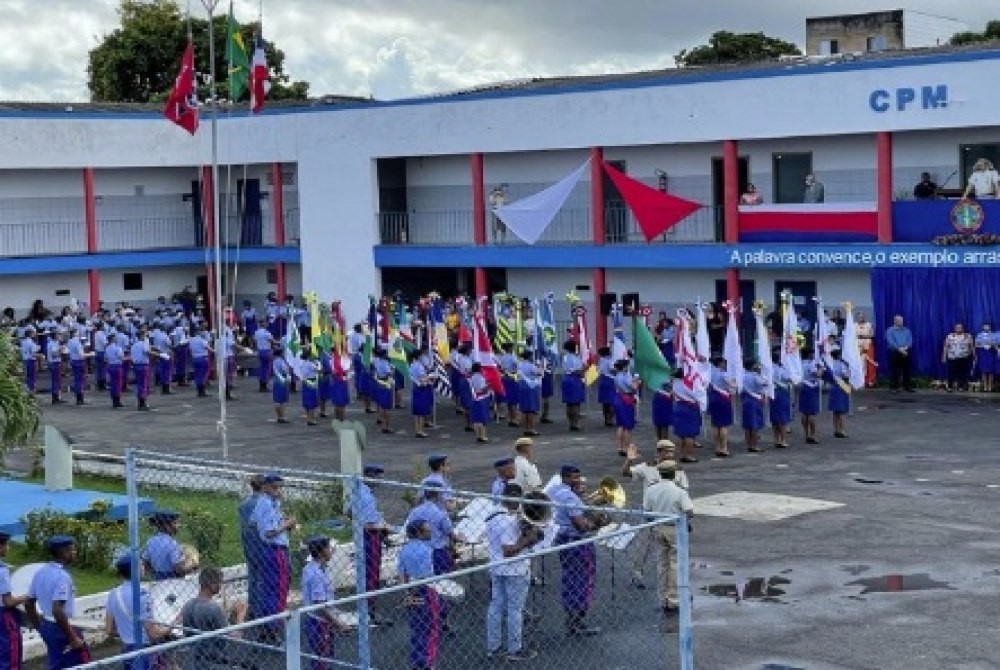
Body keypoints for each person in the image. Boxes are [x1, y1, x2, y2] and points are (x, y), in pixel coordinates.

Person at [485, 483, 539, 661]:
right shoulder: (508, 520)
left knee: (496, 606)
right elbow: (509, 551)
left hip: (496, 567)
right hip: (515, 569)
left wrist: (524, 529)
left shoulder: (493, 513)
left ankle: (493, 647)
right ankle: (514, 650)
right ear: (517, 498)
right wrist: (528, 539)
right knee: (515, 610)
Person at [549, 464, 600, 636]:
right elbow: (581, 525)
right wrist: (598, 523)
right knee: (583, 580)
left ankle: (571, 619)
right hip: (577, 542)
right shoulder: (569, 496)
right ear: (565, 477)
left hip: (563, 539)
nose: (578, 480)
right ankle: (577, 621)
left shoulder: (555, 490)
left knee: (570, 578)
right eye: (574, 477)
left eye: (579, 477)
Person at [26, 535, 92, 667]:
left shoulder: (40, 572)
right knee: (81, 663)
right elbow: (57, 610)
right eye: (72, 550)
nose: (75, 553)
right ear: (64, 552)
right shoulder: (62, 577)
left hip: (48, 625)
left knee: (57, 663)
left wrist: (39, 627)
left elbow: (28, 602)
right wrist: (72, 638)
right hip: (64, 627)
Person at [642, 461, 694, 614]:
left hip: (658, 525)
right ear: (674, 474)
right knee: (675, 563)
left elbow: (646, 511)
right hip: (674, 527)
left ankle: (662, 596)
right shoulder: (679, 491)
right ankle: (674, 598)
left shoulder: (650, 490)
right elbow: (689, 511)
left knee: (662, 562)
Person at [250, 473, 296, 634]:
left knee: (271, 588)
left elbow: (252, 522)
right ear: (265, 487)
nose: (279, 491)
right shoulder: (267, 504)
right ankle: (273, 627)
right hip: (275, 550)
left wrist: (281, 522)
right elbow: (269, 533)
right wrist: (286, 525)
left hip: (269, 549)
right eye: (275, 487)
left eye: (280, 487)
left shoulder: (268, 502)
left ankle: (268, 625)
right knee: (279, 588)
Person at [104, 556, 169, 669]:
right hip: (145, 650)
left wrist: (126, 629)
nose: (144, 567)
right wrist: (175, 622)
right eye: (141, 565)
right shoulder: (142, 595)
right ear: (136, 570)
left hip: (127, 650)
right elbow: (154, 634)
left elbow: (109, 629)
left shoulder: (114, 593)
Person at [179, 567, 248, 670]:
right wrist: (241, 614)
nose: (220, 586)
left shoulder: (187, 605)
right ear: (212, 584)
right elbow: (236, 637)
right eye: (219, 582)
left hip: (195, 659)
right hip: (216, 661)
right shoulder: (213, 608)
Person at [397, 520, 442, 670]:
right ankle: (428, 663)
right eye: (427, 530)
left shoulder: (403, 550)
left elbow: (401, 575)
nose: (430, 532)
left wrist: (407, 593)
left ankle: (416, 661)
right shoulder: (427, 550)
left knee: (416, 628)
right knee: (431, 627)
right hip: (426, 590)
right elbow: (424, 576)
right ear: (419, 533)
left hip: (410, 590)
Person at [354, 464, 393, 627]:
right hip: (370, 538)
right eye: (378, 477)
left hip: (361, 537)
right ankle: (371, 610)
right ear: (371, 476)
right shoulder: (368, 497)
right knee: (372, 575)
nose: (380, 481)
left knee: (364, 575)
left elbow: (349, 512)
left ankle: (365, 607)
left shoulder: (358, 491)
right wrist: (384, 528)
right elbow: (368, 525)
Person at [302, 536, 347, 669]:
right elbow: (320, 606)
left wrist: (336, 613)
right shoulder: (317, 574)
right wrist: (338, 623)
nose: (331, 550)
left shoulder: (312, 568)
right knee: (322, 657)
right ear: (322, 552)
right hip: (320, 622)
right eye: (328, 547)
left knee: (322, 655)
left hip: (316, 619)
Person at [238, 475, 264, 620]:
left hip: (249, 545)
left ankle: (253, 609)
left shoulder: (243, 505)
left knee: (253, 578)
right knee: (265, 580)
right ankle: (262, 612)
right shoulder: (266, 504)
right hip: (264, 546)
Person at [0, 531, 27, 670]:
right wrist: (28, 596)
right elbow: (8, 601)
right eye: (7, 545)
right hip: (4, 617)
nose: (8, 548)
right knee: (10, 656)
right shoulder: (2, 571)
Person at [142, 510, 189, 580]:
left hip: (156, 579)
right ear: (167, 526)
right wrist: (188, 564)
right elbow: (178, 569)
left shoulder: (150, 541)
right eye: (176, 523)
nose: (179, 525)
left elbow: (145, 562)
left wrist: (155, 572)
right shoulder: (172, 543)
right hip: (172, 580)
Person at [672, 368, 702, 463]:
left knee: (681, 434)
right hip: (689, 408)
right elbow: (696, 395)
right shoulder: (687, 384)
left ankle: (682, 454)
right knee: (689, 434)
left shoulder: (675, 383)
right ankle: (689, 455)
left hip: (678, 407)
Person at [707, 356, 735, 458]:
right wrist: (734, 381)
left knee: (715, 425)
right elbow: (732, 385)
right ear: (720, 363)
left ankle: (717, 447)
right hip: (723, 398)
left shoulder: (710, 372)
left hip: (713, 398)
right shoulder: (723, 374)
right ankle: (724, 448)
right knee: (723, 425)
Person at [612, 359, 640, 456]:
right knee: (627, 426)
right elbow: (634, 387)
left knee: (620, 425)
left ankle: (620, 447)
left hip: (618, 398)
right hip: (626, 399)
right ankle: (626, 448)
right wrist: (636, 379)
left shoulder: (616, 376)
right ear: (624, 367)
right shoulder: (625, 377)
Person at [741, 361, 767, 453]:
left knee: (747, 424)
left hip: (745, 399)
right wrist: (760, 372)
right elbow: (765, 383)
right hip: (754, 400)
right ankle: (754, 445)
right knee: (754, 424)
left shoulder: (742, 375)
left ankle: (749, 444)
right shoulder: (755, 376)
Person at [560, 340, 586, 431]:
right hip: (574, 379)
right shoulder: (576, 358)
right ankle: (575, 423)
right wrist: (584, 369)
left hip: (566, 379)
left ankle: (571, 422)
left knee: (569, 403)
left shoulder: (564, 357)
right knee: (576, 403)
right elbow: (577, 371)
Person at [885, 315, 914, 392]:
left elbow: (910, 341)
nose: (901, 322)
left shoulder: (907, 330)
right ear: (895, 321)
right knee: (895, 370)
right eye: (899, 321)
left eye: (902, 321)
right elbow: (890, 341)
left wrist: (905, 348)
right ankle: (894, 387)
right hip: (894, 351)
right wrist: (899, 349)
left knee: (907, 370)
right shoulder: (890, 330)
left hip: (906, 351)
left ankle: (907, 386)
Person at [770, 352, 793, 449]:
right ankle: (783, 440)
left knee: (775, 418)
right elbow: (789, 379)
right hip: (782, 392)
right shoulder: (781, 369)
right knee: (782, 419)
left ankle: (776, 440)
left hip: (773, 392)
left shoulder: (769, 368)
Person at [826, 350, 851, 438]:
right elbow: (846, 375)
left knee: (835, 411)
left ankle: (836, 429)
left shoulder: (831, 364)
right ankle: (842, 430)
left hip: (833, 386)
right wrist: (848, 368)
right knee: (841, 411)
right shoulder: (842, 364)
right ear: (839, 355)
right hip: (841, 386)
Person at [942, 323, 974, 392]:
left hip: (963, 357)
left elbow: (971, 346)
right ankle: (950, 387)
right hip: (952, 357)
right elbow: (946, 346)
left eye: (960, 327)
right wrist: (944, 356)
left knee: (962, 373)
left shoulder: (967, 336)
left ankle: (961, 387)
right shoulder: (950, 336)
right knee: (951, 372)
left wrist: (971, 354)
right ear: (955, 328)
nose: (959, 329)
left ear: (963, 328)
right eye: (957, 327)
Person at [799, 350, 822, 445]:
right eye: (812, 354)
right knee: (812, 413)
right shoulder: (811, 364)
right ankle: (812, 435)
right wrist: (820, 368)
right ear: (809, 355)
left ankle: (806, 434)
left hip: (803, 386)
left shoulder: (800, 363)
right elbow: (817, 374)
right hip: (811, 386)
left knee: (804, 413)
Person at [517, 351, 542, 437]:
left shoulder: (520, 364)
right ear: (529, 356)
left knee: (524, 409)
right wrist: (539, 366)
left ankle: (525, 428)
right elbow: (539, 373)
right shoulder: (531, 365)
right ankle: (531, 428)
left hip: (522, 386)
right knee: (531, 409)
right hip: (531, 387)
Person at [371, 348, 395, 434]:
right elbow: (389, 374)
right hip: (385, 384)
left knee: (380, 405)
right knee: (387, 407)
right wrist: (392, 371)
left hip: (378, 384)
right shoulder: (385, 363)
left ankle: (383, 424)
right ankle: (387, 426)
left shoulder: (376, 362)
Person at [468, 362, 493, 444]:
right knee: (481, 419)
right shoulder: (480, 378)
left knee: (476, 419)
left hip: (474, 398)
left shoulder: (471, 378)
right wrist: (489, 385)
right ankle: (482, 436)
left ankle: (478, 436)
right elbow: (483, 389)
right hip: (481, 398)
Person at [498, 342, 520, 428]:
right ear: (510, 348)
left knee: (509, 399)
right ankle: (514, 419)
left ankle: (511, 418)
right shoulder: (512, 357)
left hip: (504, 378)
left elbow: (500, 368)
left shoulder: (502, 357)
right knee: (514, 400)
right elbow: (517, 366)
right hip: (512, 377)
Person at [300, 347, 321, 426]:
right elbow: (319, 370)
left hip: (305, 382)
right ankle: (311, 419)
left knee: (307, 401)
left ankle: (308, 417)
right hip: (311, 382)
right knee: (311, 401)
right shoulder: (310, 364)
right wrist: (318, 362)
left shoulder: (303, 363)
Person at [855, 312, 876, 388]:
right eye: (859, 317)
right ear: (857, 317)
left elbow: (872, 334)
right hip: (857, 345)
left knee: (869, 362)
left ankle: (870, 381)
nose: (861, 318)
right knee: (859, 363)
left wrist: (863, 336)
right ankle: (859, 381)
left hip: (868, 344)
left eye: (862, 316)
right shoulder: (854, 325)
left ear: (865, 317)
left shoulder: (869, 325)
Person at [596, 346, 615, 427]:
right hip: (609, 380)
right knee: (611, 401)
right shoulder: (609, 361)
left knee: (605, 402)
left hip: (602, 380)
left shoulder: (601, 360)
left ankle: (606, 419)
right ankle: (610, 419)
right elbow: (612, 370)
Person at [271, 345, 291, 424]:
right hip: (282, 381)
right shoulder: (282, 362)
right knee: (282, 401)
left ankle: (279, 417)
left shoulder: (274, 361)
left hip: (276, 381)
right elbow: (285, 370)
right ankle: (282, 417)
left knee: (277, 400)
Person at [46, 329, 65, 405]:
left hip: (57, 362)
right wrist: (61, 349)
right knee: (55, 381)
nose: (60, 336)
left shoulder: (56, 343)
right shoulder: (52, 343)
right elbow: (55, 354)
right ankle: (55, 398)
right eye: (58, 335)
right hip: (54, 363)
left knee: (58, 381)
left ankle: (58, 397)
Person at [253, 324, 274, 393]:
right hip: (267, 351)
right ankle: (264, 385)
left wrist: (256, 348)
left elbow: (254, 342)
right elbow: (272, 341)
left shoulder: (256, 332)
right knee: (267, 369)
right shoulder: (267, 333)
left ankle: (261, 385)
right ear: (264, 324)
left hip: (260, 351)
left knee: (262, 368)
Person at [976, 323, 996, 393]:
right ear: (983, 327)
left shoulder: (993, 335)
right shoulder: (979, 335)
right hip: (983, 353)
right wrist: (983, 345)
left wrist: (992, 345)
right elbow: (976, 344)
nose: (987, 327)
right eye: (985, 326)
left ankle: (990, 386)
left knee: (991, 370)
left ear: (990, 327)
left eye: (988, 326)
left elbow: (996, 344)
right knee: (983, 370)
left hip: (991, 353)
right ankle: (985, 386)